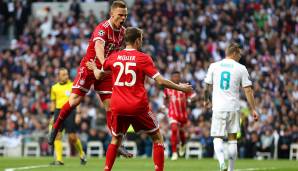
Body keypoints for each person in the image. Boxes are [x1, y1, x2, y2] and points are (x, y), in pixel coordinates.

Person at [87, 27, 192, 171]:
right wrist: (181, 88)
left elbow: (99, 75)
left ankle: (106, 169)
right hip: (137, 106)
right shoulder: (143, 58)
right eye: (141, 39)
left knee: (116, 139)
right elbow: (160, 81)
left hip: (117, 106)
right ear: (137, 40)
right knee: (157, 138)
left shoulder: (113, 57)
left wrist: (93, 67)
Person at [48, 0, 132, 157]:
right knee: (74, 101)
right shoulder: (102, 29)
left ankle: (117, 142)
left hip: (105, 72)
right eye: (120, 15)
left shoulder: (123, 32)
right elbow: (99, 48)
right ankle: (56, 126)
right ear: (112, 14)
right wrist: (104, 64)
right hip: (90, 67)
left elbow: (117, 52)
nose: (123, 18)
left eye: (125, 15)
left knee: (112, 107)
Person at [204, 43, 259, 171]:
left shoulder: (214, 66)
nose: (240, 56)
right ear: (234, 53)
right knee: (232, 139)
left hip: (218, 107)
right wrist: (253, 109)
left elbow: (207, 86)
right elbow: (248, 91)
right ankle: (231, 169)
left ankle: (222, 163)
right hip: (233, 107)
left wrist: (206, 100)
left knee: (217, 137)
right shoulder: (241, 68)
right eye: (239, 54)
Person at [49, 68, 86, 165]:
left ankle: (82, 153)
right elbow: (53, 102)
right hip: (58, 111)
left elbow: (77, 99)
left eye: (67, 74)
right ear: (59, 76)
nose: (66, 76)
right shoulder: (54, 88)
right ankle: (59, 159)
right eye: (64, 74)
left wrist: (78, 113)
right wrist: (52, 115)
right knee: (57, 135)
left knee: (72, 137)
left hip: (70, 112)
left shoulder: (72, 85)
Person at [163, 71, 196, 160]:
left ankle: (183, 145)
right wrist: (164, 106)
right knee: (174, 130)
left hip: (183, 114)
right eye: (174, 77)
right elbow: (165, 99)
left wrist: (189, 100)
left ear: (180, 77)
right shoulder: (168, 88)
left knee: (182, 134)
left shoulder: (184, 86)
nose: (176, 78)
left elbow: (193, 96)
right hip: (172, 114)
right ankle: (174, 153)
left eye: (178, 76)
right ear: (172, 77)